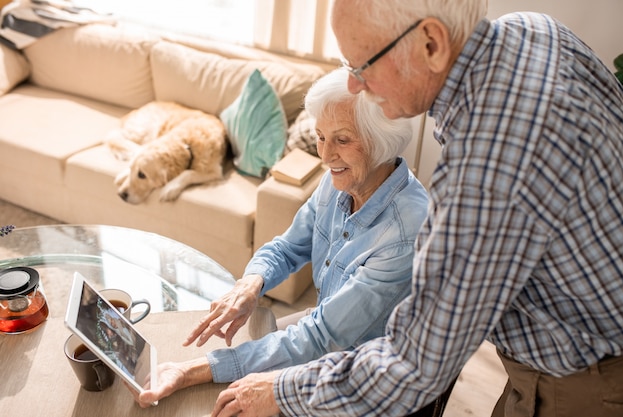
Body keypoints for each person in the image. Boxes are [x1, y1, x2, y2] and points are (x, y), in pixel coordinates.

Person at [210, 1, 623, 416]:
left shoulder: (485, 167)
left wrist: (280, 393)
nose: (355, 86)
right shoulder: (533, 29)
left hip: (584, 385)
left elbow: (414, 363)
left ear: (431, 43)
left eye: (363, 66)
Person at [131, 68, 429, 407]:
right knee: (216, 362)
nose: (325, 155)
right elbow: (288, 247)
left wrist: (190, 371)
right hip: (325, 335)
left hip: (361, 381)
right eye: (320, 136)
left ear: (382, 141)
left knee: (214, 391)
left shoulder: (406, 235)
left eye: (342, 140)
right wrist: (251, 284)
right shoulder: (339, 182)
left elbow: (319, 338)